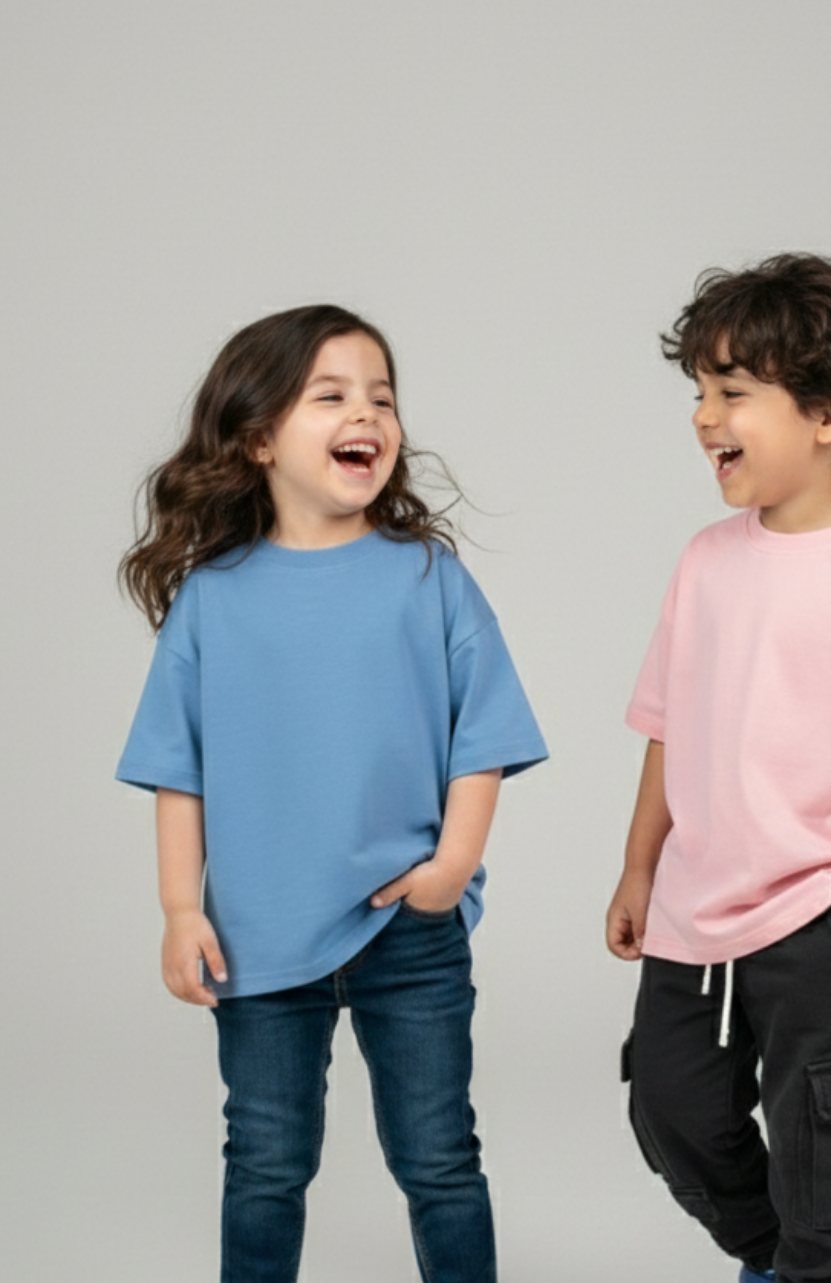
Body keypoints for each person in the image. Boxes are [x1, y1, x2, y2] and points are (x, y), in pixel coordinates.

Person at [117, 305, 546, 1283]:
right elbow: (178, 769)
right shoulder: (212, 598)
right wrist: (180, 908)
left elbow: (482, 738)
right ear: (259, 439)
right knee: (265, 1164)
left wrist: (452, 868)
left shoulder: (428, 577)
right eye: (332, 395)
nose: (368, 415)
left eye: (382, 398)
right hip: (256, 936)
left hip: (410, 927)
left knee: (439, 1160)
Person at [606, 255, 831, 1283]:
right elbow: (667, 729)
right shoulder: (705, 561)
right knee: (671, 1111)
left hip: (820, 917)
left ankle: (816, 1265)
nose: (703, 417)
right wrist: (639, 870)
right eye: (699, 392)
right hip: (694, 914)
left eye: (732, 392)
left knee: (824, 1157)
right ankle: (777, 1258)